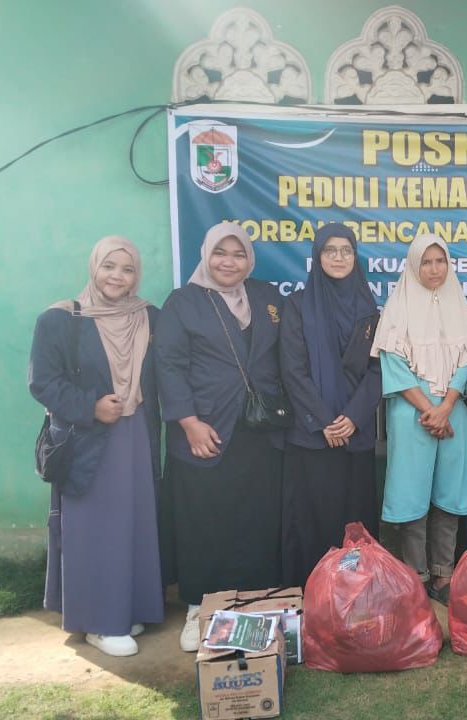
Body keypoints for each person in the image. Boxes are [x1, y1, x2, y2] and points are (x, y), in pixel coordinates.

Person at [28, 235, 163, 658]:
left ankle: (130, 607)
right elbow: (43, 382)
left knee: (135, 523)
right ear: (94, 268)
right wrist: (90, 406)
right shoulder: (61, 319)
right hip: (89, 438)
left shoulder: (149, 318)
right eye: (109, 267)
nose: (117, 277)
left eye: (127, 269)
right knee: (95, 527)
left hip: (136, 433)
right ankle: (99, 622)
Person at [155, 221, 287, 652]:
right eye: (220, 254)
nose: (229, 263)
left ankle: (251, 604)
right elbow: (169, 365)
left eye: (238, 255)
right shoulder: (183, 302)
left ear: (249, 259)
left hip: (259, 431)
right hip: (206, 430)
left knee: (254, 518)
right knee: (202, 519)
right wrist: (189, 422)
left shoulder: (267, 297)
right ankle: (199, 606)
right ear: (205, 255)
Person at [371, 234, 467, 605]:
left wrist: (446, 406)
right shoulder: (398, 306)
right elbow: (394, 367)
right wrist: (429, 409)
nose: (435, 269)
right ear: (414, 266)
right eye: (427, 262)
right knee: (413, 496)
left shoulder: (457, 302)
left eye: (441, 261)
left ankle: (444, 575)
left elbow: (466, 361)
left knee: (448, 495)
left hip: (452, 412)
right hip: (410, 413)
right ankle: (416, 575)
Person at [278, 223, 382, 586]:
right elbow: (292, 369)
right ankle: (316, 595)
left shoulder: (371, 310)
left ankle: (356, 595)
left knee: (356, 521)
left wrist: (352, 418)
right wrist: (325, 421)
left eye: (346, 250)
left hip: (356, 436)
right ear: (317, 257)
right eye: (330, 250)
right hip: (313, 437)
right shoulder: (297, 306)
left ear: (356, 256)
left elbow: (377, 370)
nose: (339, 258)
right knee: (315, 520)